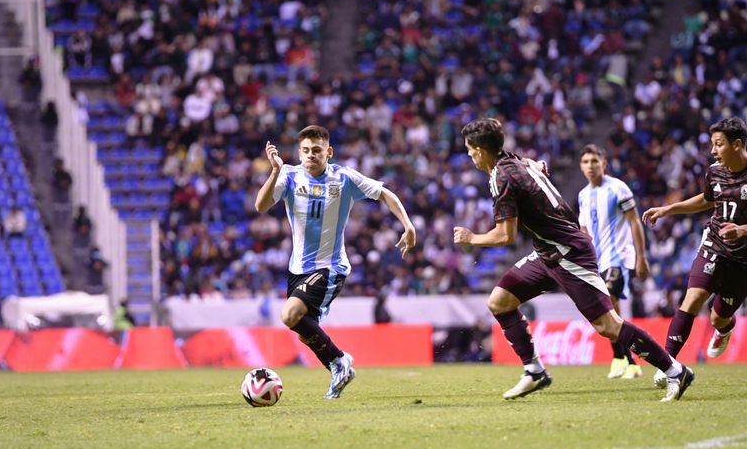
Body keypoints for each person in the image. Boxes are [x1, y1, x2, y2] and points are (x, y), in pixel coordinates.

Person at [453, 118, 693, 402]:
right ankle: (534, 371)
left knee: (608, 326)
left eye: (469, 149)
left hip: (568, 254)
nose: (469, 155)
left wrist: (472, 238)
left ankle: (676, 371)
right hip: (547, 253)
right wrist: (537, 166)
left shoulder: (501, 177)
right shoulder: (515, 161)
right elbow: (533, 163)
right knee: (499, 301)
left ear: (480, 150)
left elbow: (506, 235)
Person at [255, 125, 416, 399]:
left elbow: (385, 194)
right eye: (306, 150)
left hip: (330, 267)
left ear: (328, 152)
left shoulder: (344, 178)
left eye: (317, 150)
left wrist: (408, 225)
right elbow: (260, 206)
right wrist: (274, 171)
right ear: (299, 152)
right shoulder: (289, 175)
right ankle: (338, 366)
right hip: (297, 269)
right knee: (304, 330)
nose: (311, 155)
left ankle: (340, 361)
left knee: (289, 314)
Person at [642, 117, 747, 386]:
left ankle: (725, 328)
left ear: (737, 145)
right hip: (714, 244)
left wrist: (742, 230)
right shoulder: (714, 172)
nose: (713, 150)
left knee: (718, 317)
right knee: (693, 296)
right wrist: (669, 209)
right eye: (712, 144)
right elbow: (706, 200)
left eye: (719, 144)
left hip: (742, 258)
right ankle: (668, 365)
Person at [577, 144, 650, 379]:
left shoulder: (618, 188)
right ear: (581, 166)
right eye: (586, 162)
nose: (590, 166)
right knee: (606, 312)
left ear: (604, 163)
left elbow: (634, 222)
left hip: (618, 256)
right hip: (596, 261)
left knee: (609, 299)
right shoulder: (583, 195)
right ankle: (626, 359)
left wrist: (641, 257)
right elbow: (584, 230)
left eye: (594, 161)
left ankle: (623, 358)